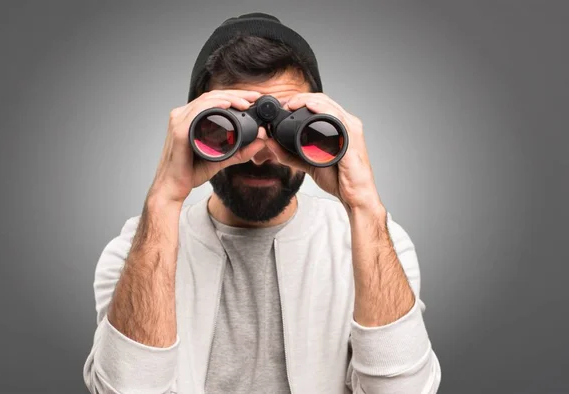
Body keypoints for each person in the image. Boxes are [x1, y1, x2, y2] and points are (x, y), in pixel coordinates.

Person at [83, 12, 441, 394]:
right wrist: (163, 199)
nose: (260, 155)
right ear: (191, 129)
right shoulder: (134, 253)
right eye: (229, 128)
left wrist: (365, 206)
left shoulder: (375, 246)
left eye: (288, 128)